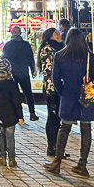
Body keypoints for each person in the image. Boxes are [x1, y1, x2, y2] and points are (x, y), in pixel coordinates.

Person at [44, 28, 94, 177]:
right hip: (87, 97)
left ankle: (57, 163)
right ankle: (82, 164)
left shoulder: (60, 56)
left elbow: (55, 79)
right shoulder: (89, 56)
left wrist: (63, 93)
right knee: (86, 131)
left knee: (64, 128)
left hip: (68, 96)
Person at [0, 58, 24, 168]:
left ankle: (2, 157)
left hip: (0, 115)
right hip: (11, 115)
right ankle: (12, 159)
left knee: (2, 135)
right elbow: (17, 101)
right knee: (11, 136)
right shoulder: (12, 84)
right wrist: (20, 116)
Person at [2, 25, 38, 121]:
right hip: (24, 72)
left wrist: (3, 72)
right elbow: (30, 59)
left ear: (12, 33)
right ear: (20, 33)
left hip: (12, 73)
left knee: (15, 95)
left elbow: (3, 60)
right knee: (28, 94)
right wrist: (33, 70)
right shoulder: (26, 45)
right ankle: (32, 113)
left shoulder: (8, 45)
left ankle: (19, 116)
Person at [38, 28, 65, 157]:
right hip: (52, 87)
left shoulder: (60, 47)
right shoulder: (48, 49)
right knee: (53, 117)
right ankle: (52, 146)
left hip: (60, 87)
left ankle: (57, 147)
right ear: (49, 36)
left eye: (58, 33)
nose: (58, 35)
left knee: (58, 118)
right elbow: (50, 70)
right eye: (55, 34)